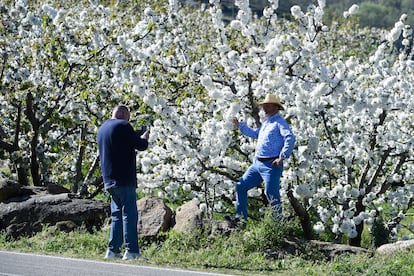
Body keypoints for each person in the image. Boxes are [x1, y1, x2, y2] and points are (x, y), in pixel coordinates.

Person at [226, 94, 295, 225]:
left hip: (271, 164)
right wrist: (240, 125)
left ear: (276, 107)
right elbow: (256, 134)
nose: (264, 108)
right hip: (257, 163)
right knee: (241, 186)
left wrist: (282, 156)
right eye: (264, 105)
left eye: (267, 105)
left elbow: (290, 138)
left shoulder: (279, 122)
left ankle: (277, 225)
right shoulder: (267, 122)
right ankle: (240, 219)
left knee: (271, 193)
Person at [97, 104, 150, 260]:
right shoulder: (123, 125)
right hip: (124, 178)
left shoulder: (103, 128)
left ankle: (112, 250)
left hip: (109, 178)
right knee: (129, 215)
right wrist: (145, 138)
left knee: (116, 215)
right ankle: (132, 250)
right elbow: (140, 145)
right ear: (124, 115)